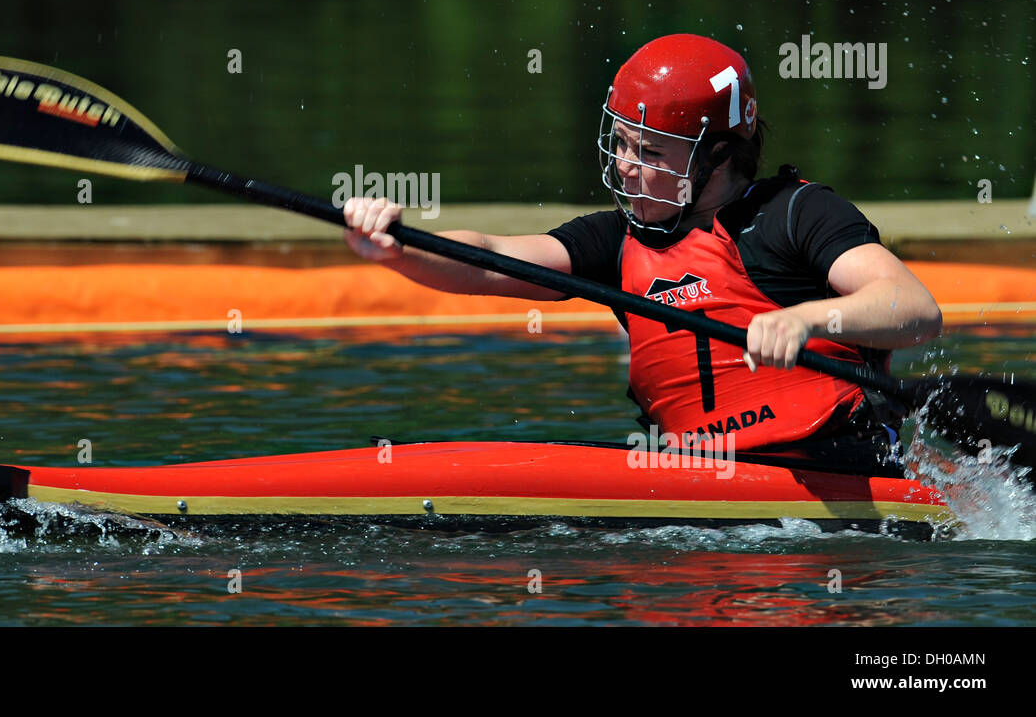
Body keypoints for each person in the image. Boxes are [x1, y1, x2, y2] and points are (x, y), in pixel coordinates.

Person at [341, 33, 942, 472]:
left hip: (836, 462)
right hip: (694, 475)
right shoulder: (616, 241)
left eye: (651, 152)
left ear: (717, 156)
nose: (626, 167)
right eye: (622, 144)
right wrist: (398, 246)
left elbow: (913, 309)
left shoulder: (796, 213)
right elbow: (486, 259)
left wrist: (806, 318)